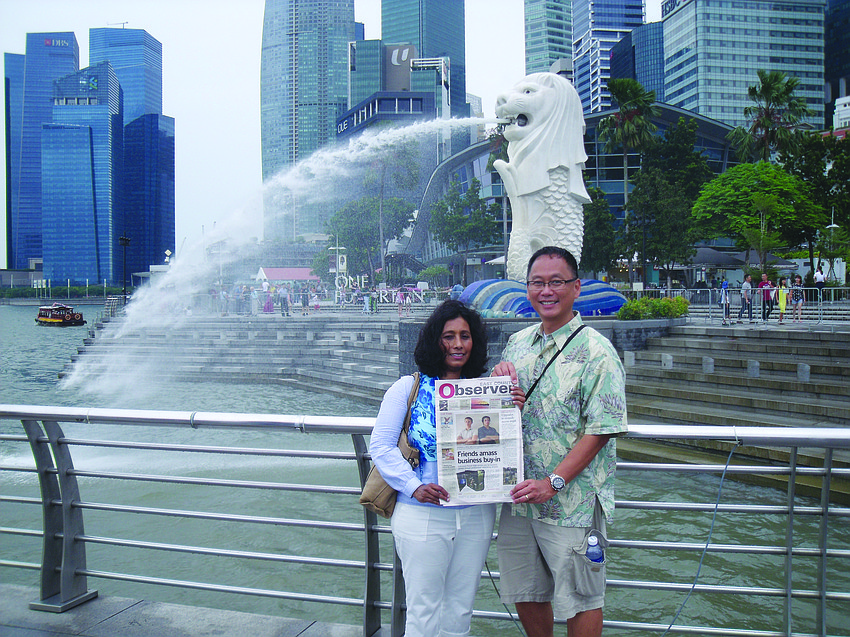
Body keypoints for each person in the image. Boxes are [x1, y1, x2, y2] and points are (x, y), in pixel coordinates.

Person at [491, 246, 628, 637]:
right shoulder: (518, 344)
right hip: (519, 497)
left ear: (576, 288)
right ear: (527, 288)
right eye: (537, 282)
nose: (546, 290)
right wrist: (500, 385)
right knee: (527, 588)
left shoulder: (597, 352)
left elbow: (601, 429)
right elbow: (500, 414)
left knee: (581, 597)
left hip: (572, 503)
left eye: (556, 282)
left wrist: (553, 483)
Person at [370, 300, 525, 637]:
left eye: (465, 336)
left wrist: (512, 409)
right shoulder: (407, 388)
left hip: (475, 513)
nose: (457, 344)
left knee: (460, 608)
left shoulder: (485, 391)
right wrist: (413, 485)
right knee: (423, 610)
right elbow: (380, 446)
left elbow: (502, 446)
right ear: (434, 340)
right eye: (449, 336)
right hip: (422, 510)